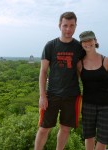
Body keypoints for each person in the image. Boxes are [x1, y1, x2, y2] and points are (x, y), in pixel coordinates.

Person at [34, 11, 85, 150]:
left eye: (71, 25)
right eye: (65, 25)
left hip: (72, 95)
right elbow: (43, 72)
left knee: (65, 129)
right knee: (44, 128)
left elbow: (82, 70)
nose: (68, 29)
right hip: (52, 95)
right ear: (59, 26)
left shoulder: (79, 47)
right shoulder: (50, 45)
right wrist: (42, 95)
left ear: (75, 26)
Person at [77, 31, 108, 150]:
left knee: (103, 138)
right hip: (87, 104)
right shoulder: (79, 64)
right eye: (84, 41)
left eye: (89, 40)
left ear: (95, 41)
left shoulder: (105, 61)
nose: (87, 43)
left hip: (106, 105)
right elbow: (73, 82)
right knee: (89, 136)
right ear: (81, 44)